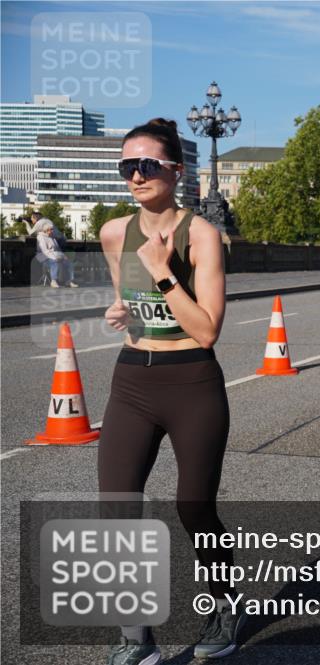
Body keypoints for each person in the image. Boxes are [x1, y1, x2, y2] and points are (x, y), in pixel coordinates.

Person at [98, 118, 237, 664]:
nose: (136, 175)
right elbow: (130, 306)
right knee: (116, 507)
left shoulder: (199, 234)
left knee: (194, 507)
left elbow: (206, 329)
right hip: (132, 379)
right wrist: (120, 309)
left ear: (175, 170)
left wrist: (161, 273)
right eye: (127, 166)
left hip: (191, 383)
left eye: (147, 165)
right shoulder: (115, 233)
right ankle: (137, 638)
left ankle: (225, 605)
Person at [35, 219, 78, 287]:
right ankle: (53, 281)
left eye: (52, 229)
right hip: (44, 257)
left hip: (55, 255)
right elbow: (45, 251)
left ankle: (69, 281)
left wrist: (63, 256)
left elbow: (58, 249)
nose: (52, 231)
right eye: (51, 229)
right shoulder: (40, 237)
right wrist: (54, 258)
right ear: (46, 230)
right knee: (54, 262)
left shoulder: (52, 238)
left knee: (68, 263)